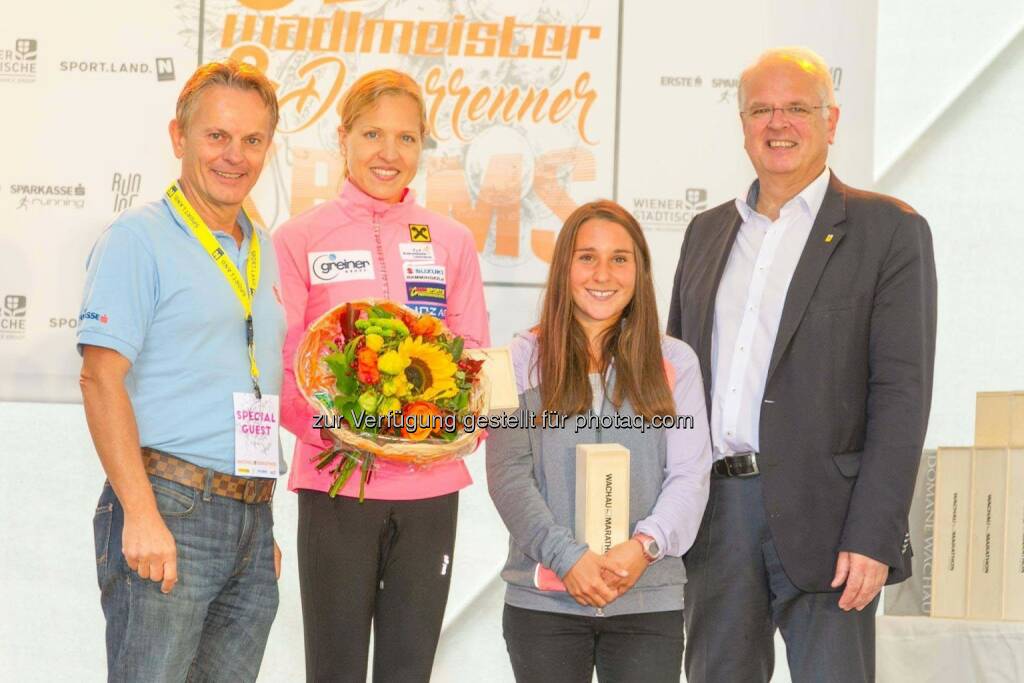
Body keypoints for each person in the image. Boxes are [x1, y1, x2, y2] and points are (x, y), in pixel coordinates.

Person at [667, 46, 937, 682]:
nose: (777, 123)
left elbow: (901, 394)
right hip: (716, 516)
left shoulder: (888, 230)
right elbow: (675, 384)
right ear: (742, 124)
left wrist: (874, 532)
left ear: (831, 121)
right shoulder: (705, 233)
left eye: (796, 108)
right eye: (761, 109)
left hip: (833, 521)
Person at [273, 69, 490, 682]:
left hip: (430, 488)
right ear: (341, 138)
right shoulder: (299, 238)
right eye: (372, 134)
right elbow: (288, 366)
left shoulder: (450, 240)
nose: (388, 154)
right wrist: (350, 432)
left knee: (409, 670)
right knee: (335, 670)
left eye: (406, 138)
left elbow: (474, 353)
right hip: (337, 483)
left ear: (423, 145)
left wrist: (460, 429)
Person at [78, 60, 286, 682]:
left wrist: (253, 522)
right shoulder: (138, 239)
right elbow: (99, 379)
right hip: (169, 506)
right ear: (178, 138)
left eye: (252, 140)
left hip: (249, 514)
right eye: (216, 136)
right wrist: (140, 514)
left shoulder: (263, 247)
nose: (234, 155)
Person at [486, 200, 711, 682]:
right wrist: (568, 559)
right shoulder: (516, 360)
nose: (602, 273)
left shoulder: (677, 362)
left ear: (640, 271)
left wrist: (644, 548)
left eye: (619, 258)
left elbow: (690, 474)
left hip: (647, 602)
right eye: (587, 256)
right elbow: (508, 477)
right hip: (543, 604)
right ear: (565, 266)